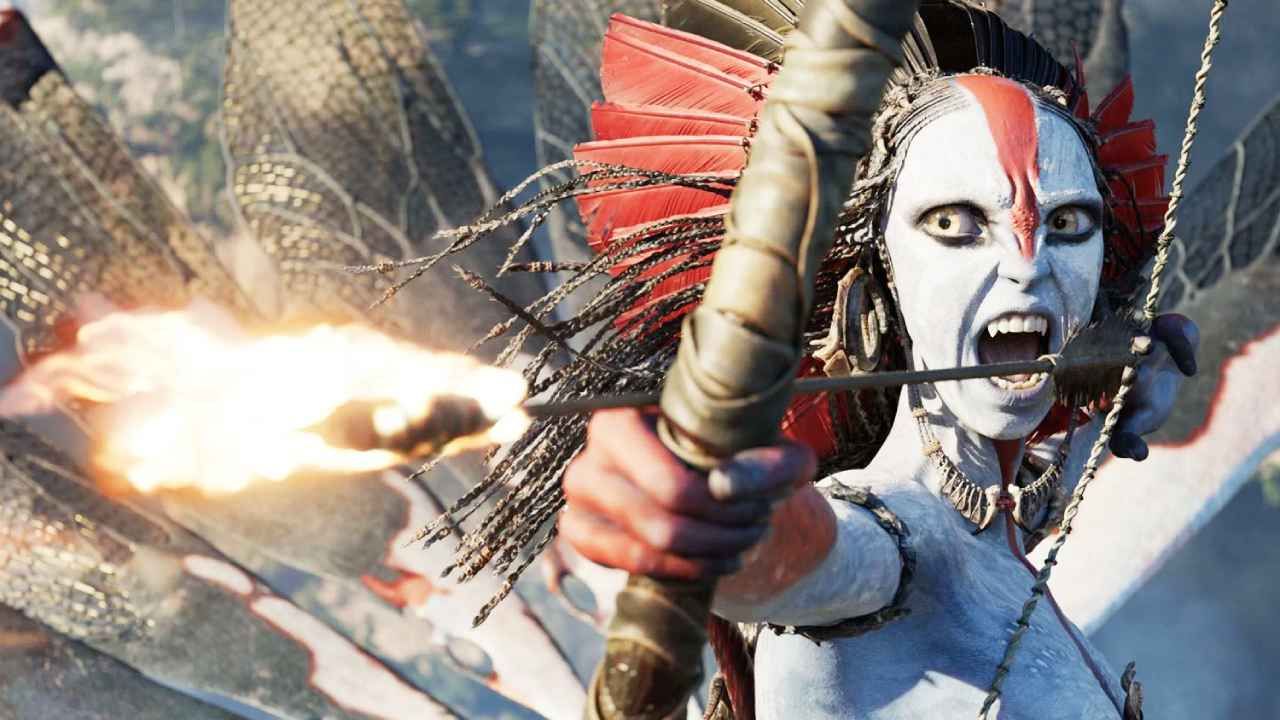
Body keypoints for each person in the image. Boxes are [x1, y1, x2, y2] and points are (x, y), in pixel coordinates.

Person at [552, 2, 1200, 718]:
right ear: (880, 273)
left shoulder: (997, 520)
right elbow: (806, 557)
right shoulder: (893, 537)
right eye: (953, 223)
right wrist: (707, 515)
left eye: (1069, 224)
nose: (1027, 266)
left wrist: (1129, 378)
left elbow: (1034, 473)